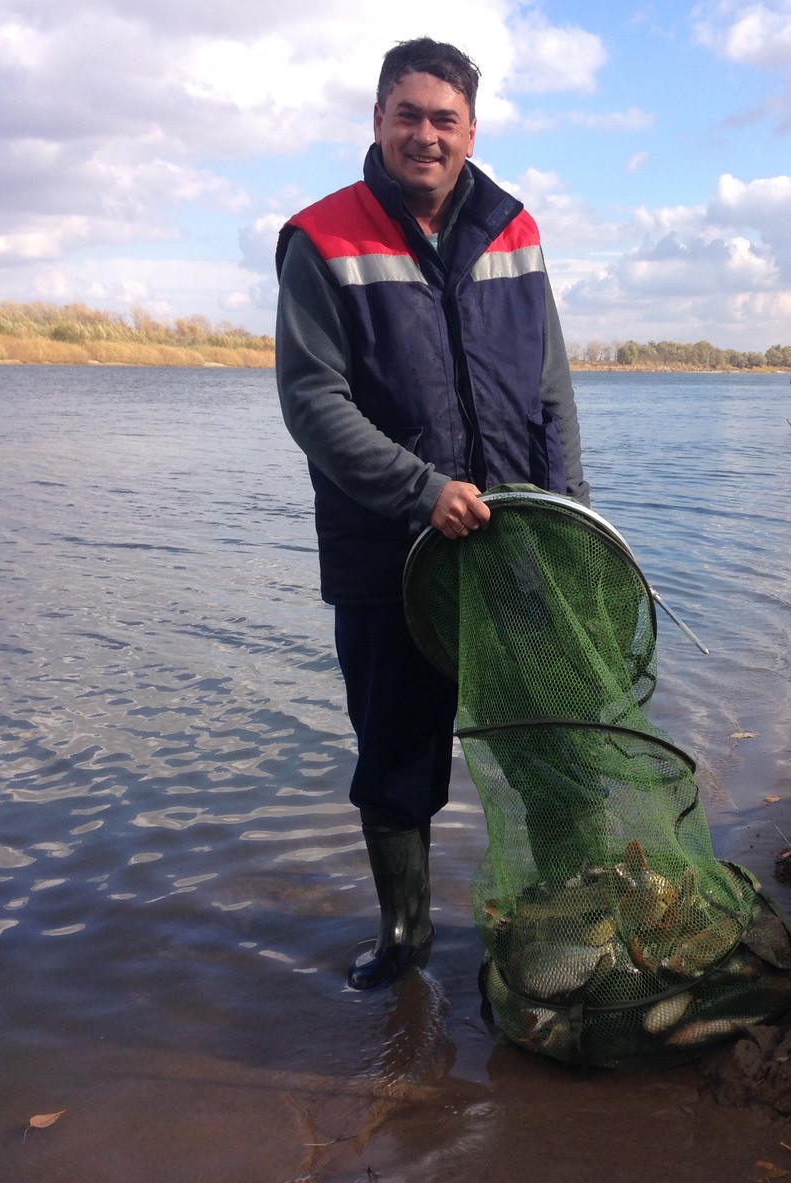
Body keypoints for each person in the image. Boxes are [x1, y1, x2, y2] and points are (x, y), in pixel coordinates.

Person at [274, 37, 588, 990]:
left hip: (520, 549)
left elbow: (552, 387)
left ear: (471, 129)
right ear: (376, 120)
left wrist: (570, 515)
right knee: (398, 755)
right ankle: (405, 941)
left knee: (548, 743)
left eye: (444, 118)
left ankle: (560, 925)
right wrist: (422, 491)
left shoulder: (516, 227)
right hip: (387, 556)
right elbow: (311, 402)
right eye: (407, 114)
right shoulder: (321, 238)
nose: (425, 134)